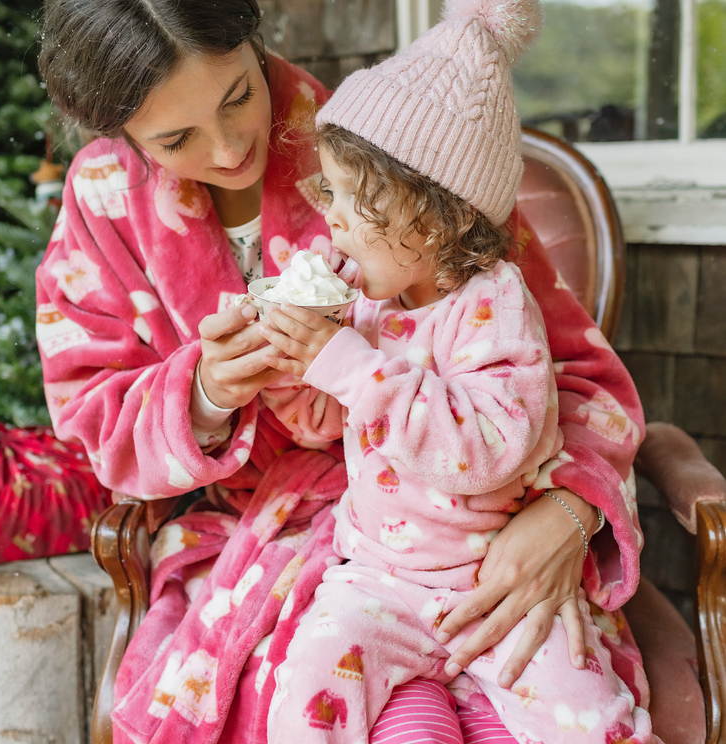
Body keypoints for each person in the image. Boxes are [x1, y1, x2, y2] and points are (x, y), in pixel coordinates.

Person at [34, 0, 648, 742]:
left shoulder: (390, 142)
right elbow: (93, 418)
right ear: (121, 134)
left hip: (471, 525)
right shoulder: (104, 202)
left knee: (544, 686)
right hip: (254, 536)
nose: (230, 149)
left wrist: (569, 513)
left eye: (238, 97)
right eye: (176, 138)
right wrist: (205, 393)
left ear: (254, 43)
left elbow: (578, 376)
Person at [258, 5, 658, 742]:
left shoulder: (498, 307)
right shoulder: (369, 296)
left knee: (591, 720)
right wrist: (283, 352)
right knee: (304, 692)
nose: (331, 222)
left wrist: (348, 367)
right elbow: (324, 417)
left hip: (495, 586)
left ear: (436, 219)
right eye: (331, 194)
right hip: (376, 580)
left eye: (355, 199)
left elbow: (487, 449)